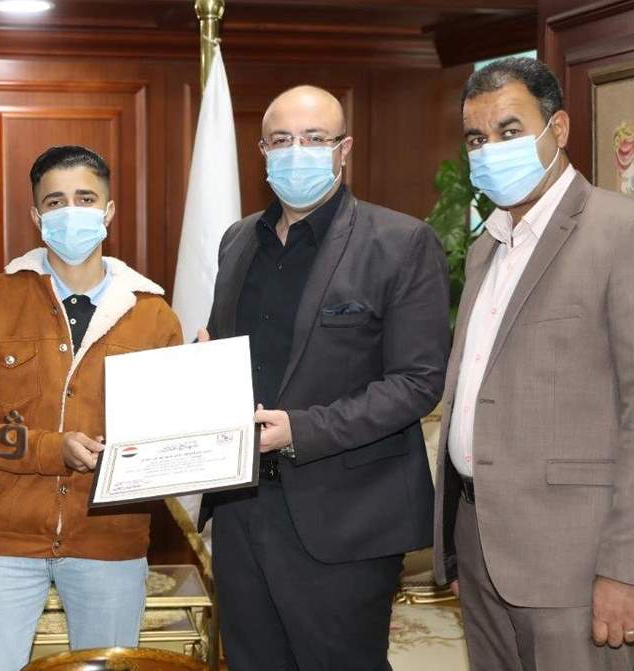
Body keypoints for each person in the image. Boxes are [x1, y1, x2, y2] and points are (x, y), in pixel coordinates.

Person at [432, 56, 634, 671]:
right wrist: (457, 544)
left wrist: (629, 569)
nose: (490, 150)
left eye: (509, 131)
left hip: (577, 565)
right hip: (481, 548)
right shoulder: (486, 249)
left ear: (559, 129)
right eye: (476, 138)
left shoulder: (630, 233)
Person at [197, 85, 451, 670]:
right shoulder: (238, 240)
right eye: (281, 140)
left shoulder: (400, 242)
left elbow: (418, 381)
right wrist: (199, 369)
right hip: (241, 507)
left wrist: (302, 430)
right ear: (262, 151)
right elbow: (228, 351)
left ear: (345, 149)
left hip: (345, 517)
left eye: (314, 139)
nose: (297, 152)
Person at [0, 145, 183, 671]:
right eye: (55, 201)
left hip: (109, 540)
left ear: (109, 211)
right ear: (36, 216)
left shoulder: (154, 316)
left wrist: (202, 398)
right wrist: (52, 449)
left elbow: (168, 441)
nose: (71, 211)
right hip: (2, 542)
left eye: (85, 198)